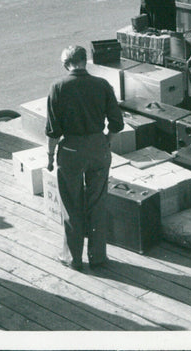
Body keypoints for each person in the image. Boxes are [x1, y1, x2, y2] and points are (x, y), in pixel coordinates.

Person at [46, 45, 124, 270]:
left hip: (71, 151)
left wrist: (50, 156)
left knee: (71, 204)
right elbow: (117, 123)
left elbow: (53, 131)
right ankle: (98, 256)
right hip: (98, 148)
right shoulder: (102, 84)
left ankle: (73, 258)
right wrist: (106, 140)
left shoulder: (58, 87)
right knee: (97, 203)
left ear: (65, 64)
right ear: (85, 60)